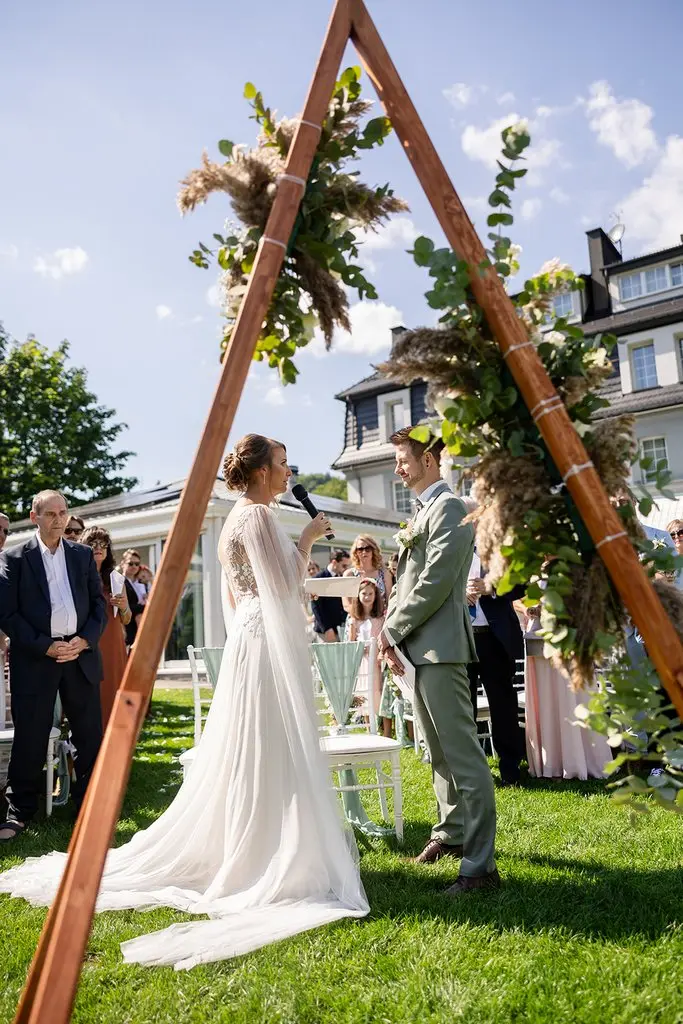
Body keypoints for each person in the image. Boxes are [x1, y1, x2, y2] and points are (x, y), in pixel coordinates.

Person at [0, 436, 368, 967]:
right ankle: (264, 848)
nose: (290, 472)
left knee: (257, 743)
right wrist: (308, 538)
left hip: (250, 636)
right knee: (268, 741)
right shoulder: (259, 517)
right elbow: (284, 586)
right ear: (263, 471)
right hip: (263, 640)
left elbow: (239, 596)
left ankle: (256, 836)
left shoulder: (239, 519)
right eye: (284, 464)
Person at [379, 427, 498, 894]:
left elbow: (435, 581)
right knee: (438, 753)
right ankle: (451, 836)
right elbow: (406, 582)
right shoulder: (425, 509)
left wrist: (390, 629)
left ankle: (482, 867)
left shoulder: (449, 507)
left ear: (429, 460)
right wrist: (393, 635)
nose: (397, 468)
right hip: (418, 649)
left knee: (464, 757)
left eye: (403, 459)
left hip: (442, 648)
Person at [0, 490, 106, 841]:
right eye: (50, 514)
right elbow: (7, 615)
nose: (59, 520)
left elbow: (97, 606)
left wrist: (85, 639)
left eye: (63, 513)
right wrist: (46, 647)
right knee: (30, 736)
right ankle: (19, 813)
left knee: (89, 735)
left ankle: (90, 808)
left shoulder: (82, 555)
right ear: (34, 517)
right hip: (37, 660)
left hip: (81, 656)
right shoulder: (15, 558)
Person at [466, 545, 526, 786]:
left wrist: (491, 587)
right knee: (464, 708)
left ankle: (511, 771)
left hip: (495, 638)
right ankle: (472, 773)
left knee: (503, 706)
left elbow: (521, 586)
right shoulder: (452, 546)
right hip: (462, 638)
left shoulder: (502, 548)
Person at [81, 526, 130, 731]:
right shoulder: (78, 576)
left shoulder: (116, 579)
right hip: (88, 640)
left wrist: (123, 606)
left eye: (103, 544)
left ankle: (112, 738)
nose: (98, 548)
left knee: (112, 687)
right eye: (92, 543)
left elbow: (126, 619)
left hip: (112, 641)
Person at [344, 578, 385, 722]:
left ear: (375, 595)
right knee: (364, 689)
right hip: (363, 659)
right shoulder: (355, 618)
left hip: (377, 658)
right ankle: (368, 723)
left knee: (377, 689)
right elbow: (351, 641)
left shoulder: (380, 617)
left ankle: (380, 721)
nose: (367, 597)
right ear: (358, 596)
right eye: (364, 594)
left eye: (370, 594)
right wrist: (360, 648)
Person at [311, 549, 350, 642]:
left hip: (342, 629)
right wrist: (326, 629)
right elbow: (316, 607)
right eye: (344, 565)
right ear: (334, 562)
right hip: (325, 632)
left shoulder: (343, 577)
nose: (346, 569)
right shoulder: (318, 578)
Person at [118, 550, 145, 649]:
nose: (134, 566)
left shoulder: (141, 583)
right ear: (122, 564)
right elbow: (124, 606)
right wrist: (145, 607)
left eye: (137, 564)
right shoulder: (119, 582)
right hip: (128, 629)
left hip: (139, 630)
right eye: (130, 563)